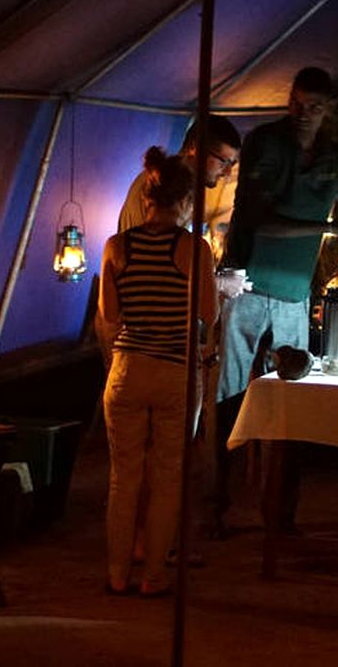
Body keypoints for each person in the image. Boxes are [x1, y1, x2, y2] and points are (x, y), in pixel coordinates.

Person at [210, 66, 338, 536]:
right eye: (297, 103)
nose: (303, 113)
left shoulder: (335, 160)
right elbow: (260, 221)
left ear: (327, 110)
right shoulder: (265, 143)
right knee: (230, 399)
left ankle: (282, 511)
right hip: (248, 285)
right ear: (289, 101)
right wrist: (331, 228)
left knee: (293, 399)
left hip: (295, 293)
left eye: (314, 106)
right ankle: (215, 504)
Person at [95, 147, 217, 597]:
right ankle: (153, 578)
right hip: (175, 371)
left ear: (147, 196)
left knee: (122, 476)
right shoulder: (192, 247)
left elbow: (109, 315)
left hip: (126, 369)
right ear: (184, 202)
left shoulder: (116, 246)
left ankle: (116, 574)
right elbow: (207, 311)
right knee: (167, 476)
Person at [117, 116, 242, 235]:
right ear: (195, 148)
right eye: (224, 161)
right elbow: (155, 249)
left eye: (232, 164)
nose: (227, 172)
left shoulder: (180, 187)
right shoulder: (161, 184)